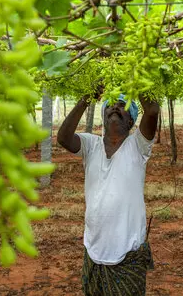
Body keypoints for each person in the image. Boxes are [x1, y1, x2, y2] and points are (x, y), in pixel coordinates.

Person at [57, 88, 160, 296]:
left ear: (131, 121)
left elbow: (152, 110)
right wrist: (86, 97)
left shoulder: (138, 146)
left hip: (127, 255)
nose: (115, 107)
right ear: (103, 117)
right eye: (110, 105)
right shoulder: (90, 145)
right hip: (93, 250)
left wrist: (136, 77)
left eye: (122, 106)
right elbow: (63, 138)